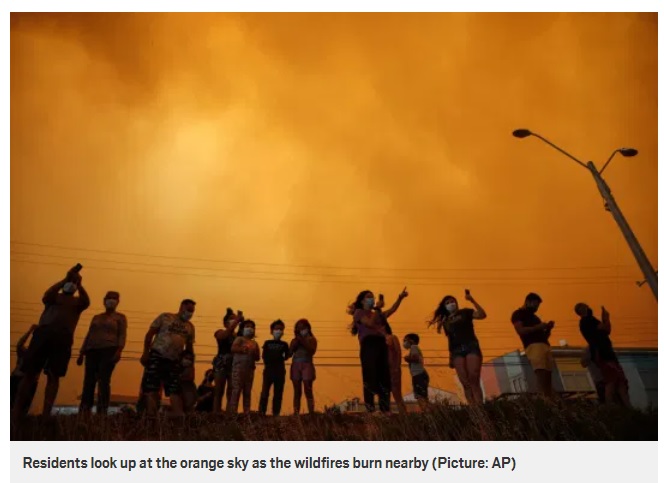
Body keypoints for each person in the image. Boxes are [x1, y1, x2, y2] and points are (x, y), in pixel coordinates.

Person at [12, 268, 91, 421]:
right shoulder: (54, 297)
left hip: (63, 338)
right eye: (70, 282)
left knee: (54, 376)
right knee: (30, 373)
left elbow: (86, 301)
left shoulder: (77, 302)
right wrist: (64, 279)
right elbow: (46, 295)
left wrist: (79, 284)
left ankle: (46, 414)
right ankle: (16, 411)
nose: (71, 284)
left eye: (73, 283)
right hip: (43, 334)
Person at [349, 288, 408, 413]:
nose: (372, 299)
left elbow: (392, 310)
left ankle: (385, 408)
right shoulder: (359, 312)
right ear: (362, 300)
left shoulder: (378, 314)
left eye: (373, 297)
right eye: (369, 297)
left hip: (382, 344)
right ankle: (370, 408)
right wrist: (376, 309)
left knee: (384, 375)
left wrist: (400, 298)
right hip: (369, 344)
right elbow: (369, 324)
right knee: (370, 374)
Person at [428, 290, 487, 405]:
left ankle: (480, 406)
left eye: (452, 301)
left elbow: (482, 315)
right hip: (456, 351)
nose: (451, 303)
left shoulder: (465, 312)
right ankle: (474, 409)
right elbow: (450, 339)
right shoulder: (446, 321)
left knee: (473, 377)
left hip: (471, 346)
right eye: (448, 302)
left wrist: (472, 300)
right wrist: (450, 356)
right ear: (445, 307)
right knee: (465, 382)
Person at [140, 299, 196, 417]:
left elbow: (189, 348)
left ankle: (176, 414)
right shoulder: (165, 317)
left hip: (175, 360)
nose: (190, 313)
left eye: (192, 311)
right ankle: (151, 414)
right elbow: (150, 334)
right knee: (152, 387)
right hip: (157, 355)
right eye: (188, 309)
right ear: (181, 307)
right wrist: (145, 352)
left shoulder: (190, 327)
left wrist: (190, 366)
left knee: (174, 389)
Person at [76, 291, 127, 415]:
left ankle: (102, 411)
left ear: (118, 302)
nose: (111, 300)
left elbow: (122, 335)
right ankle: (84, 410)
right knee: (89, 381)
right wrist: (82, 352)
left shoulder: (120, 317)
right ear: (104, 300)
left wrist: (119, 351)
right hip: (92, 350)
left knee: (103, 380)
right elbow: (89, 334)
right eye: (109, 298)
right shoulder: (96, 317)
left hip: (109, 349)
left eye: (114, 298)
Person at [575, 303, 630, 407]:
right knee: (611, 381)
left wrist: (606, 319)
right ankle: (609, 407)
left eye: (584, 306)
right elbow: (605, 328)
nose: (585, 308)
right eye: (581, 308)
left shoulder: (592, 319)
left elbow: (607, 330)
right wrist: (606, 319)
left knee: (620, 381)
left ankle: (627, 406)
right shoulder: (586, 321)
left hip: (608, 351)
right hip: (602, 353)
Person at [511, 293, 555, 398]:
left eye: (537, 306)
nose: (536, 308)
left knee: (548, 376)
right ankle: (542, 399)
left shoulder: (535, 317)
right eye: (535, 305)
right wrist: (538, 327)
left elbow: (544, 336)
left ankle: (548, 400)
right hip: (533, 345)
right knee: (541, 373)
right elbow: (520, 330)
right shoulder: (518, 314)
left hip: (545, 345)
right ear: (527, 302)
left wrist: (548, 328)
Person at [259, 319, 292, 416]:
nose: (279, 331)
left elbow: (286, 356)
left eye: (281, 329)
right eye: (277, 329)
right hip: (268, 370)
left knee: (278, 393)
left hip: (280, 371)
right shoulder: (267, 343)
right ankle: (261, 412)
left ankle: (275, 414)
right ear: (271, 330)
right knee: (265, 392)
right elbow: (264, 356)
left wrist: (290, 352)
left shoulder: (284, 344)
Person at [227, 319, 260, 415]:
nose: (250, 329)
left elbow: (257, 357)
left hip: (249, 370)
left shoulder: (254, 343)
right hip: (238, 368)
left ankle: (246, 412)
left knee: (247, 391)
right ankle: (233, 412)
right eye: (247, 326)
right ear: (242, 329)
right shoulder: (239, 339)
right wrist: (242, 349)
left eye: (252, 327)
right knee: (236, 390)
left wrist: (254, 353)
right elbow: (233, 348)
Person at [212, 308, 241, 413]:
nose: (234, 320)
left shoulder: (238, 336)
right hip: (221, 363)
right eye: (231, 319)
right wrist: (237, 321)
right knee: (219, 390)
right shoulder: (219, 332)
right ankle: (215, 413)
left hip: (233, 364)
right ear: (225, 322)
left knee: (231, 390)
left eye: (235, 319)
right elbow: (224, 336)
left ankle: (229, 413)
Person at [290, 319, 317, 415]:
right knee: (297, 390)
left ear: (308, 328)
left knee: (308, 388)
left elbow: (312, 350)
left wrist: (302, 341)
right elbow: (290, 352)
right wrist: (296, 342)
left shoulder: (312, 339)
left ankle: (311, 412)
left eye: (303, 327)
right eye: (299, 327)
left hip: (307, 364)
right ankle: (296, 412)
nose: (301, 329)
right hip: (296, 365)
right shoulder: (294, 340)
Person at [11, 324, 38, 413]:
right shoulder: (24, 352)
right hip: (17, 379)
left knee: (23, 407)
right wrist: (30, 331)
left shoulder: (37, 355)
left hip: (29, 382)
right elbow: (20, 344)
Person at [403, 333, 429, 410]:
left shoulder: (414, 347)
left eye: (405, 340)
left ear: (411, 341)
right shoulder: (414, 348)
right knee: (423, 395)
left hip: (418, 375)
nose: (404, 342)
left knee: (420, 395)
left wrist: (407, 359)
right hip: (420, 374)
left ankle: (425, 411)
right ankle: (426, 410)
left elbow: (415, 358)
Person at [384, 327, 407, 414]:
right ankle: (387, 413)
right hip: (385, 370)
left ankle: (403, 414)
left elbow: (398, 352)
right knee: (385, 393)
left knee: (396, 393)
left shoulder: (393, 337)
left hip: (393, 369)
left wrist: (397, 366)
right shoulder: (378, 340)